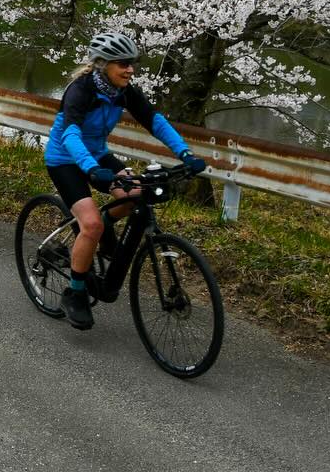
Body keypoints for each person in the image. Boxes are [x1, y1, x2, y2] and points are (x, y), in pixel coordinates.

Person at [44, 31, 207, 331]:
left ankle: (97, 233)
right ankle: (75, 292)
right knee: (91, 223)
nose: (130, 69)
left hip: (97, 155)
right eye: (123, 64)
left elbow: (155, 121)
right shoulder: (80, 90)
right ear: (103, 64)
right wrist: (91, 169)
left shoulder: (124, 91)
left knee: (135, 195)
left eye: (132, 63)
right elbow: (69, 134)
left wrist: (186, 153)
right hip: (66, 159)